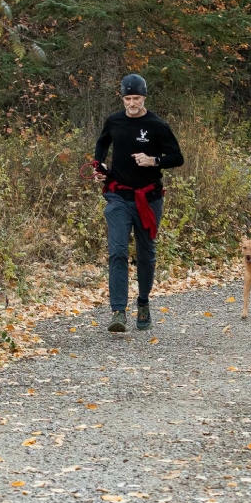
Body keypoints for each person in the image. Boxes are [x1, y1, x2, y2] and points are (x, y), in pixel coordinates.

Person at [93, 74, 184, 332]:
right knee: (118, 251)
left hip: (148, 198)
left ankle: (143, 302)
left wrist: (153, 160)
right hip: (118, 196)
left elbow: (177, 157)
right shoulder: (114, 121)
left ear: (144, 98)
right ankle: (118, 311)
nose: (132, 103)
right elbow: (102, 144)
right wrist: (99, 165)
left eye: (136, 98)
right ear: (122, 98)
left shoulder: (157, 125)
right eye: (128, 98)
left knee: (146, 254)